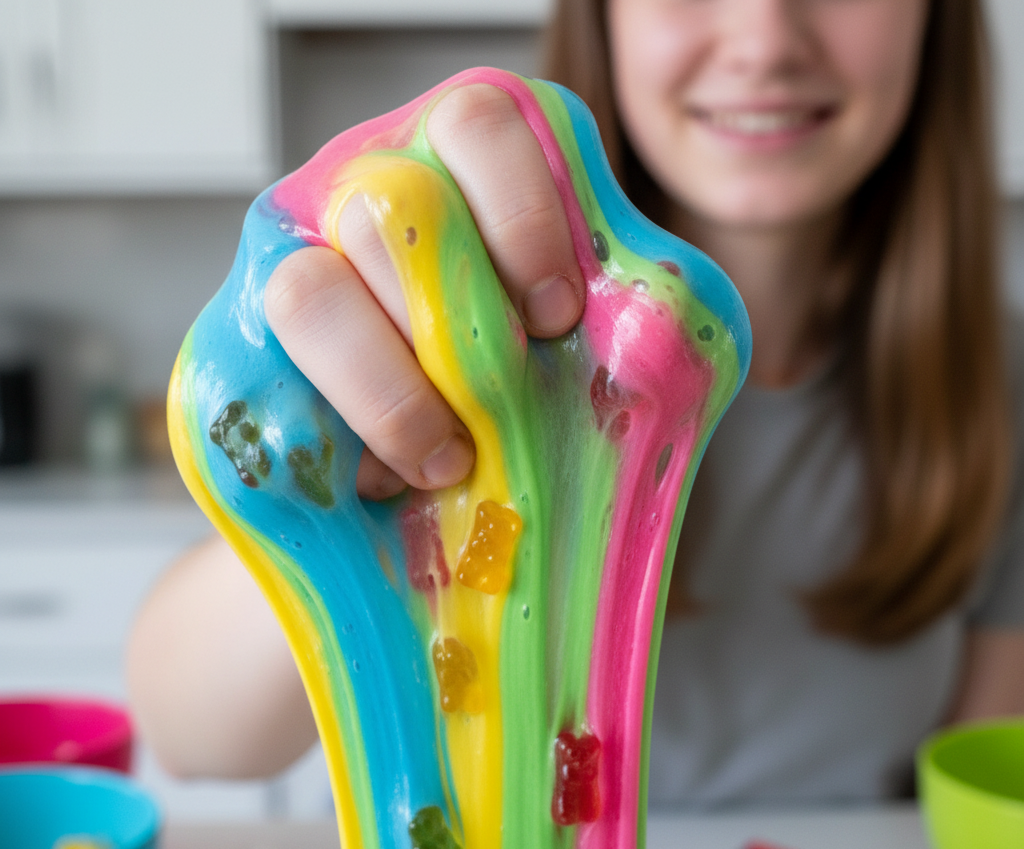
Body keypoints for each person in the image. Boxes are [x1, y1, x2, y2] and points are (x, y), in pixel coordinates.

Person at [127, 0, 1024, 807]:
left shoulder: (1002, 381)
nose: (764, 41)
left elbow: (970, 808)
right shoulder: (469, 342)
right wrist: (314, 463)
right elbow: (190, 737)